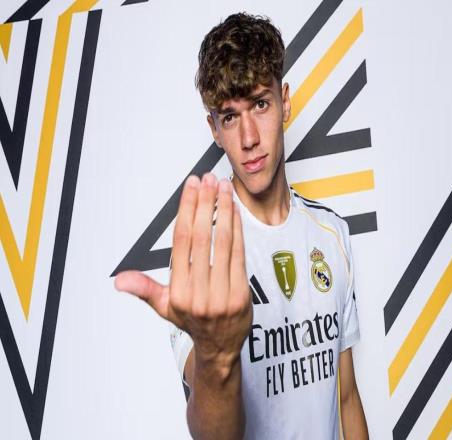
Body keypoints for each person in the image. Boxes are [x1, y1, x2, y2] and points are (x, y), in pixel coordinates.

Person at [115, 12, 368, 439]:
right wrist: (217, 359)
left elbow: (345, 396)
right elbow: (213, 434)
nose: (249, 138)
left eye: (260, 104)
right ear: (214, 129)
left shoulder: (331, 234)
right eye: (230, 117)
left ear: (285, 102)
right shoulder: (203, 254)